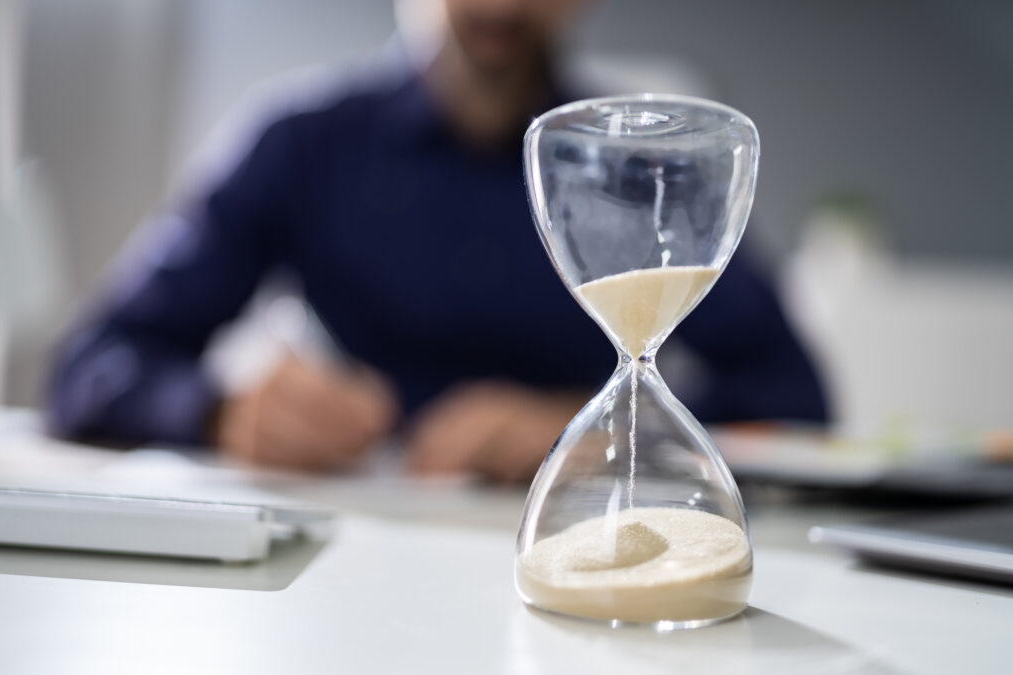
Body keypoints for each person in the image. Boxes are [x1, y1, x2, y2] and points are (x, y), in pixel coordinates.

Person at [46, 0, 827, 482]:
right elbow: (91, 364)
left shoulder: (645, 169)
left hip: (580, 521)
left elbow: (796, 398)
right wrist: (220, 408)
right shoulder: (299, 146)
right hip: (354, 530)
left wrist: (609, 424)